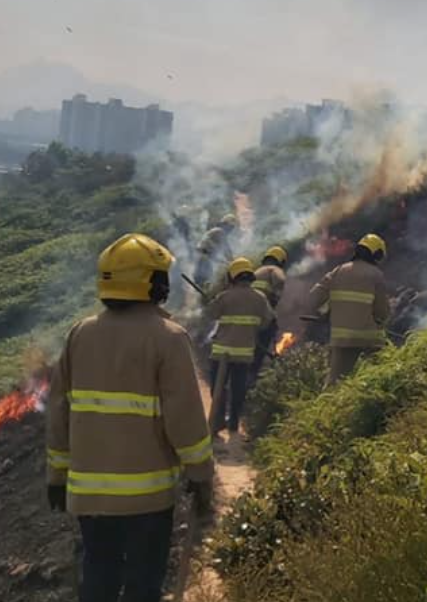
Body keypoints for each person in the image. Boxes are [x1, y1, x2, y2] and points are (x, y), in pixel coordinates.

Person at [46, 233, 214, 602]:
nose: (165, 284)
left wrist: (56, 476)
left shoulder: (80, 334)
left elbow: (59, 412)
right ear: (149, 282)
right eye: (161, 275)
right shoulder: (168, 338)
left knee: (99, 577)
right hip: (147, 500)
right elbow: (185, 419)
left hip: (88, 497)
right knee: (142, 585)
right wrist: (201, 477)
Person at [204, 257, 274, 438]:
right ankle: (234, 422)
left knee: (217, 388)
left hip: (221, 352)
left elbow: (211, 314)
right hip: (244, 353)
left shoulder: (225, 296)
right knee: (239, 388)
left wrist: (212, 300)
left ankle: (218, 420)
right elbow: (267, 321)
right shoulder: (260, 298)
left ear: (232, 276)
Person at [309, 234, 390, 388]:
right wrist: (381, 321)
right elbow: (382, 311)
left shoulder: (338, 271)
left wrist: (325, 312)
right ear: (377, 254)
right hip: (370, 339)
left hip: (342, 338)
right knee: (380, 378)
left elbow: (314, 297)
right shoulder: (375, 275)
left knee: (334, 383)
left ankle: (324, 410)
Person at [192, 214, 238, 287]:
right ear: (227, 225)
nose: (231, 230)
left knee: (206, 279)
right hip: (204, 258)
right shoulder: (219, 231)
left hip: (204, 257)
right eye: (231, 227)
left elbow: (217, 251)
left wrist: (225, 261)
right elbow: (226, 249)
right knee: (206, 278)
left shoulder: (217, 231)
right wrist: (233, 262)